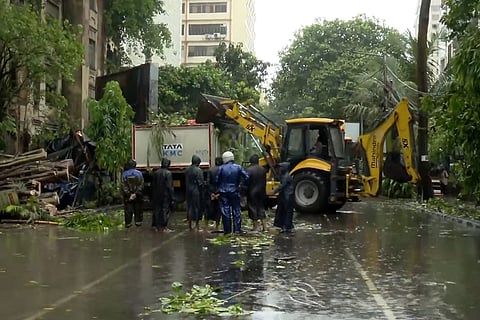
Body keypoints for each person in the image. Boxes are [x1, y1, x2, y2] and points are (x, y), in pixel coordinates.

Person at [216, 151, 249, 234]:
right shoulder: (238, 167)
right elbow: (247, 177)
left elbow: (216, 180)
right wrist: (240, 185)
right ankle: (237, 229)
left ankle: (227, 230)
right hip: (235, 191)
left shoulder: (221, 168)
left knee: (225, 211)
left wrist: (219, 187)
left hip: (223, 192)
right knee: (237, 210)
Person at [151, 158, 174, 232]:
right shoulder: (168, 173)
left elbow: (153, 185)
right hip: (165, 195)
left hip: (156, 194)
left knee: (157, 209)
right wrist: (172, 197)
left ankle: (156, 226)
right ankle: (164, 227)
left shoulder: (156, 173)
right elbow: (169, 186)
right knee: (165, 210)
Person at [245, 154, 267, 232]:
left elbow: (246, 182)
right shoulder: (263, 170)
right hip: (261, 192)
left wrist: (244, 193)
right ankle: (265, 227)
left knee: (252, 208)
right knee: (261, 208)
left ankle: (256, 227)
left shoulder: (248, 170)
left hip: (252, 192)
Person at [271, 162, 294, 233]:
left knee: (287, 212)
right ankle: (282, 225)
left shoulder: (286, 176)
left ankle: (287, 227)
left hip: (287, 196)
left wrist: (273, 191)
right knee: (282, 211)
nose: (279, 169)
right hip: (284, 196)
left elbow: (282, 186)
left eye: (281, 167)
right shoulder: (283, 175)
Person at [121, 159, 144, 228]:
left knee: (128, 210)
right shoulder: (139, 173)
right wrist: (135, 193)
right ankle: (138, 222)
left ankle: (128, 223)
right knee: (138, 209)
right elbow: (141, 185)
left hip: (128, 196)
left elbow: (123, 186)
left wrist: (129, 194)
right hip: (138, 195)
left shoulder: (124, 174)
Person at [185, 155, 205, 231]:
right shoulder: (198, 170)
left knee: (189, 208)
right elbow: (200, 183)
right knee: (196, 208)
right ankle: (197, 225)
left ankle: (190, 225)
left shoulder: (187, 170)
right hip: (196, 191)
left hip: (188, 190)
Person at [206, 157, 223, 232]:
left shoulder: (210, 170)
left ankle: (206, 227)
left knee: (209, 209)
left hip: (212, 192)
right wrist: (219, 193)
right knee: (218, 210)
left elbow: (208, 182)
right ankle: (217, 226)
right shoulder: (223, 170)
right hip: (220, 192)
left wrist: (211, 193)